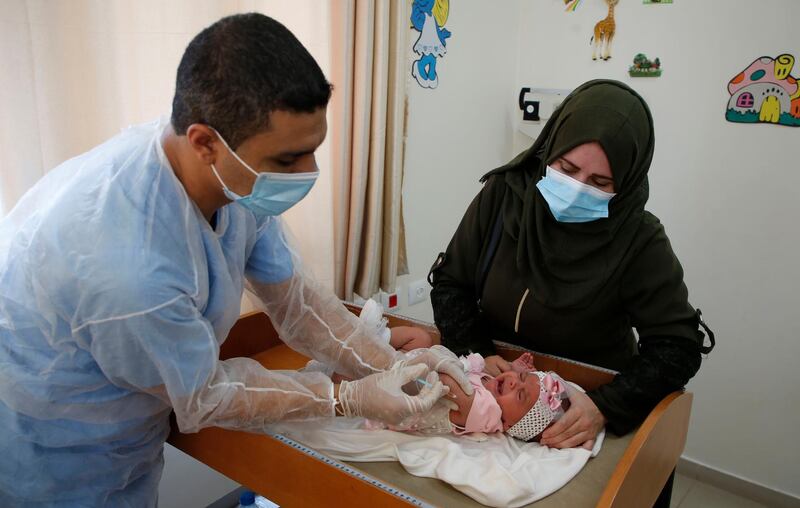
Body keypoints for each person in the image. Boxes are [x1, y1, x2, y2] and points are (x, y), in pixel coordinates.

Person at [0, 14, 471, 507]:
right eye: (288, 161)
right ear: (205, 142)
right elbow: (206, 396)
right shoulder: (128, 269)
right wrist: (344, 397)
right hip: (56, 454)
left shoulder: (230, 179)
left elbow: (301, 306)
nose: (307, 173)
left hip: (127, 435)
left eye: (313, 151)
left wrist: (401, 367)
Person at [428, 79, 715, 453]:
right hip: (494, 384)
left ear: (625, 185)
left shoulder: (640, 240)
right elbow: (452, 284)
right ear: (550, 149)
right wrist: (479, 354)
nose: (578, 188)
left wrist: (606, 406)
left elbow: (677, 347)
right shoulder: (503, 196)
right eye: (566, 168)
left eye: (600, 182)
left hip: (583, 407)